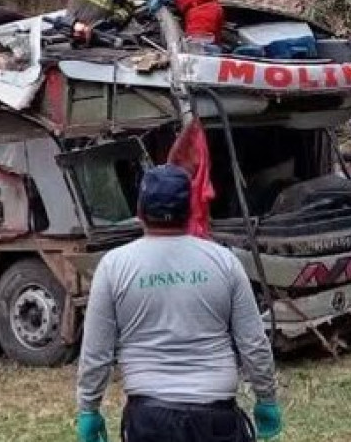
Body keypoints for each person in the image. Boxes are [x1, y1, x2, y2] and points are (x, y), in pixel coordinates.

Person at [76, 164, 282, 442]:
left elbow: (96, 352)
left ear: (140, 211)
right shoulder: (224, 262)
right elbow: (253, 343)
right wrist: (266, 399)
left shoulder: (113, 267)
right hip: (217, 417)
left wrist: (89, 409)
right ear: (191, 209)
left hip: (149, 420)